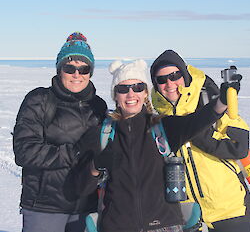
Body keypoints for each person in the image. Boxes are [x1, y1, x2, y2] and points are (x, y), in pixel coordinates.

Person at [75, 59, 237, 232]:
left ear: (145, 93)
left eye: (137, 88)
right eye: (123, 89)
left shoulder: (164, 128)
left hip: (165, 225)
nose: (131, 94)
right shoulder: (101, 135)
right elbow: (78, 188)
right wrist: (95, 167)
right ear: (115, 95)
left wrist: (223, 99)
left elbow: (199, 120)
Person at [150, 50, 250, 232]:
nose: (169, 84)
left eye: (174, 76)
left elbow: (238, 147)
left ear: (184, 75)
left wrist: (191, 127)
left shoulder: (213, 99)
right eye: (161, 79)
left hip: (231, 212)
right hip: (189, 217)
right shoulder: (156, 114)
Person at [13, 32, 107, 232]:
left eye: (84, 69)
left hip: (86, 205)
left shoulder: (98, 106)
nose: (76, 74)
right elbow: (25, 151)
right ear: (59, 69)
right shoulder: (39, 100)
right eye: (70, 67)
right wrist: (75, 152)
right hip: (45, 208)